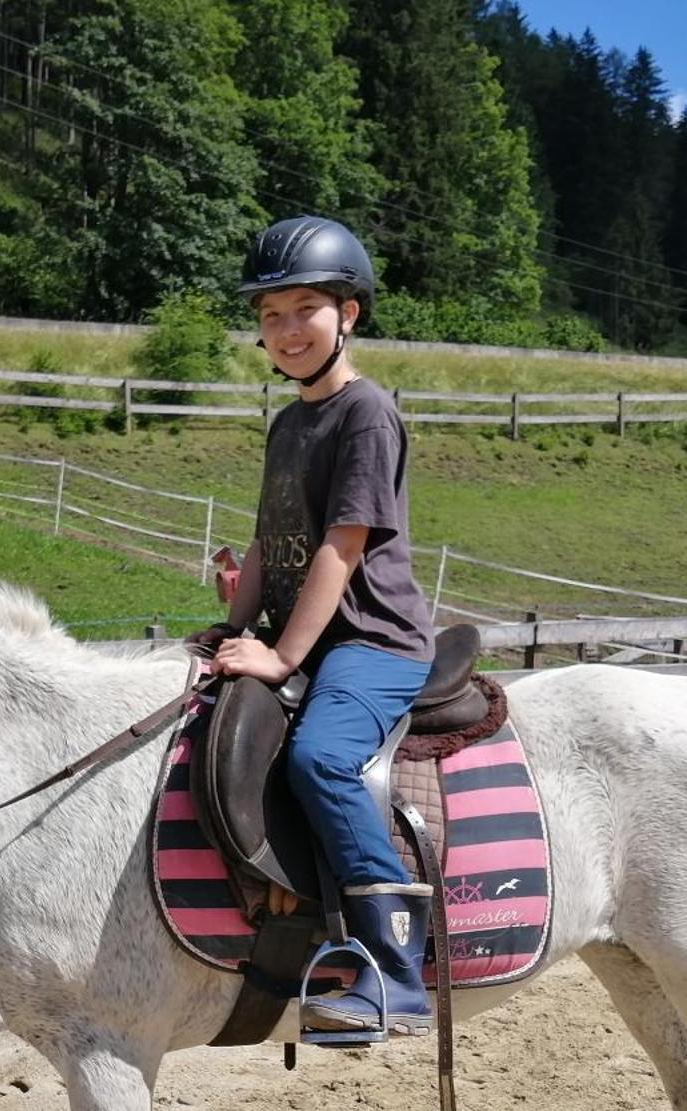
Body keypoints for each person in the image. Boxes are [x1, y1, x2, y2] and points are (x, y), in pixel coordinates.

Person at [190, 215, 438, 1035]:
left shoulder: (367, 414)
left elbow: (340, 546)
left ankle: (396, 969)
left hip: (373, 640)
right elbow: (269, 540)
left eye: (306, 310)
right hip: (310, 634)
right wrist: (232, 630)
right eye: (270, 316)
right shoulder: (288, 423)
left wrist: (282, 654)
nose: (287, 331)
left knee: (322, 755)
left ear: (349, 314)